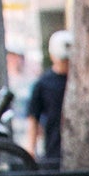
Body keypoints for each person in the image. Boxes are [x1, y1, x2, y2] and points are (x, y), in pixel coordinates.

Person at [22, 31, 70, 165]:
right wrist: (30, 147)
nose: (66, 64)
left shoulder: (81, 82)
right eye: (63, 60)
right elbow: (33, 117)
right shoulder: (43, 83)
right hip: (54, 149)